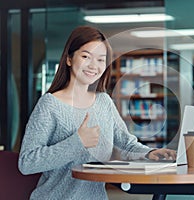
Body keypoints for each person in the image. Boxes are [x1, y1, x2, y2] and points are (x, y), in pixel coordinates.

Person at [18, 25, 176, 200]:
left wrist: (149, 153)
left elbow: (126, 145)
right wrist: (77, 142)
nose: (94, 65)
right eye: (86, 56)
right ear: (69, 59)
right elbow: (27, 162)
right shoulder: (49, 105)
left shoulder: (103, 102)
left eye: (101, 59)